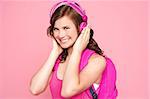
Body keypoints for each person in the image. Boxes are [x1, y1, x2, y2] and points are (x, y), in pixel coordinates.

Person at [29, 0, 118, 99]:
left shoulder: (97, 61)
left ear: (81, 28)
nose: (61, 35)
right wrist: (54, 52)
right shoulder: (58, 60)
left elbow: (68, 91)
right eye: (56, 29)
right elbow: (35, 89)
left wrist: (77, 51)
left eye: (66, 28)